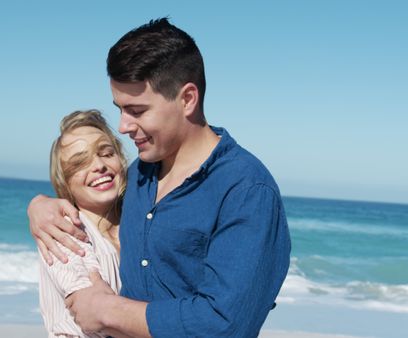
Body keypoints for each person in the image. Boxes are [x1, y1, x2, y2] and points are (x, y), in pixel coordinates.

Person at [29, 18, 291, 337]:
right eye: (120, 109)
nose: (123, 126)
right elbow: (92, 198)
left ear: (187, 99)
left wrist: (104, 309)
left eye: (137, 111)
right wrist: (39, 205)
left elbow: (224, 324)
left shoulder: (246, 190)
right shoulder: (138, 176)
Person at [37, 109, 128, 338]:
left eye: (106, 153)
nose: (98, 165)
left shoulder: (138, 219)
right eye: (80, 163)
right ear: (65, 183)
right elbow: (97, 316)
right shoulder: (64, 230)